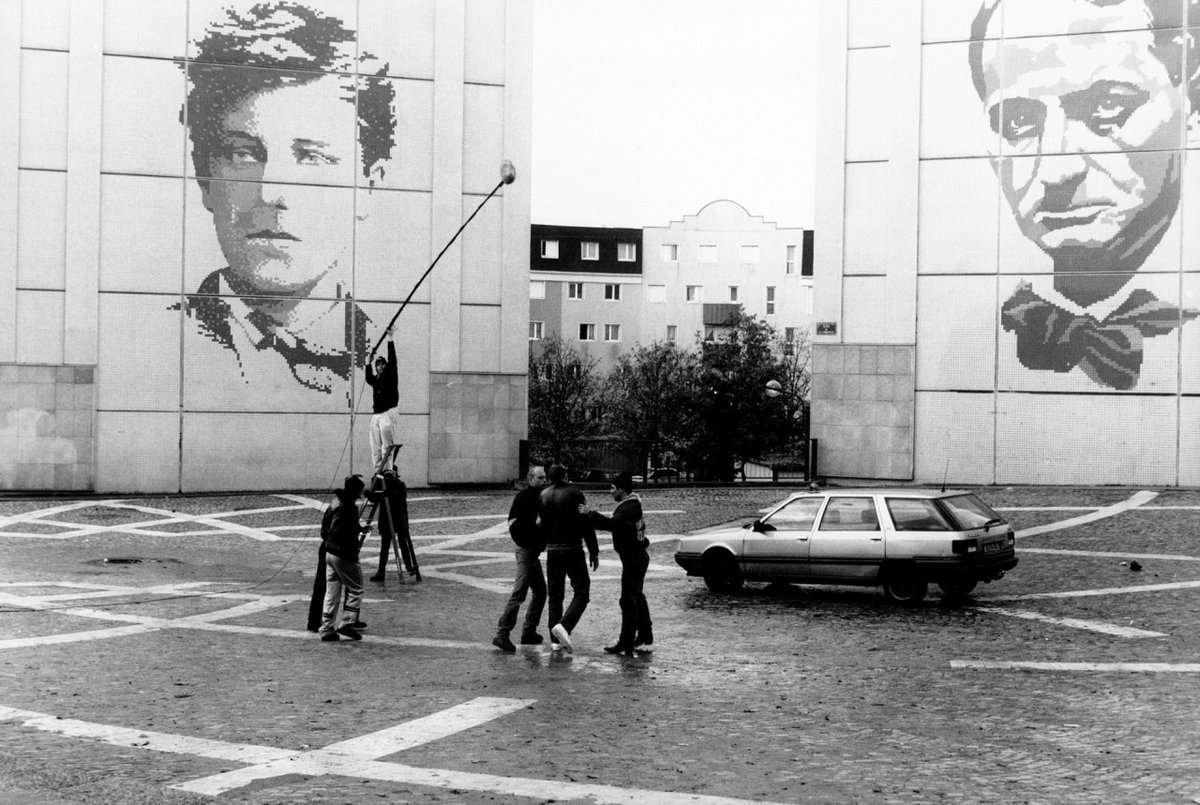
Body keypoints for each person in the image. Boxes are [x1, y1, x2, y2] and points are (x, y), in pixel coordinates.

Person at [968, 0, 1200, 390]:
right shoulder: (969, 344)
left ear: (1192, 106)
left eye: (1108, 105)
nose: (1057, 172)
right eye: (1018, 121)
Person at [178, 2, 396, 397]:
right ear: (204, 179)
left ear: (366, 187)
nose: (274, 193)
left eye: (313, 157)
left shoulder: (389, 354)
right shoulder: (161, 342)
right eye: (243, 155)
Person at [587, 472, 653, 656]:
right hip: (636, 557)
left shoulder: (629, 507)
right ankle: (644, 636)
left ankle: (626, 641)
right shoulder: (632, 504)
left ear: (622, 489)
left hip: (634, 558)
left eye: (613, 488)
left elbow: (612, 524)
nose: (610, 492)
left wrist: (590, 514)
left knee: (628, 600)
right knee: (637, 596)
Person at [538, 465, 599, 652]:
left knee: (555, 596)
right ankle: (564, 626)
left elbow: (541, 523)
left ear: (549, 477)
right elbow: (585, 522)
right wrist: (593, 550)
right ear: (565, 475)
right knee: (582, 591)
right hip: (572, 548)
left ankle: (555, 641)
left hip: (552, 550)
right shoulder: (575, 494)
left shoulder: (543, 495)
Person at [492, 465, 549, 653]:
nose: (544, 480)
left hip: (531, 550)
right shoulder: (525, 498)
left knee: (540, 591)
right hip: (526, 550)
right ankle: (502, 633)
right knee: (520, 592)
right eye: (540, 478)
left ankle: (529, 631)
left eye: (544, 477)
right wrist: (532, 539)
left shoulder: (540, 497)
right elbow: (514, 524)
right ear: (530, 479)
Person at [319, 474, 369, 642]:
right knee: (356, 589)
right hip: (344, 554)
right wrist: (355, 534)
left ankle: (326, 628)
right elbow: (341, 530)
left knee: (331, 593)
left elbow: (326, 530)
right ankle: (347, 624)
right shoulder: (349, 507)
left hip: (330, 553)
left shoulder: (334, 503)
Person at [365, 332, 399, 472]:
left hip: (388, 412)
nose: (380, 366)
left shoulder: (390, 376)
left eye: (382, 364)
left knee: (387, 446)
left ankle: (388, 471)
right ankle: (377, 472)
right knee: (375, 446)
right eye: (378, 364)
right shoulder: (376, 380)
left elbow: (392, 360)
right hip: (376, 414)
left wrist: (390, 339)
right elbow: (368, 378)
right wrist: (368, 362)